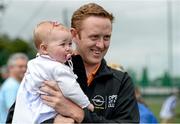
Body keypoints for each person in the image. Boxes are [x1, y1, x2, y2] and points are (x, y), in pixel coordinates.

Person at [6, 3, 139, 123]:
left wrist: (80, 115)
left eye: (107, 37)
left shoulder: (120, 81)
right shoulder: (44, 70)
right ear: (74, 35)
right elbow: (14, 119)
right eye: (94, 37)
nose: (101, 45)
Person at [12, 21, 94, 124]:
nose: (68, 48)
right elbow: (71, 89)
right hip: (45, 114)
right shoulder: (58, 68)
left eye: (69, 44)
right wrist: (86, 104)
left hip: (27, 113)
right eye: (62, 44)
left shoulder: (34, 63)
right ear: (44, 48)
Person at [0, 53, 28, 123]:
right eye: (20, 66)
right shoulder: (11, 86)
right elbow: (13, 112)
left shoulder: (15, 84)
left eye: (26, 66)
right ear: (11, 68)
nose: (24, 69)